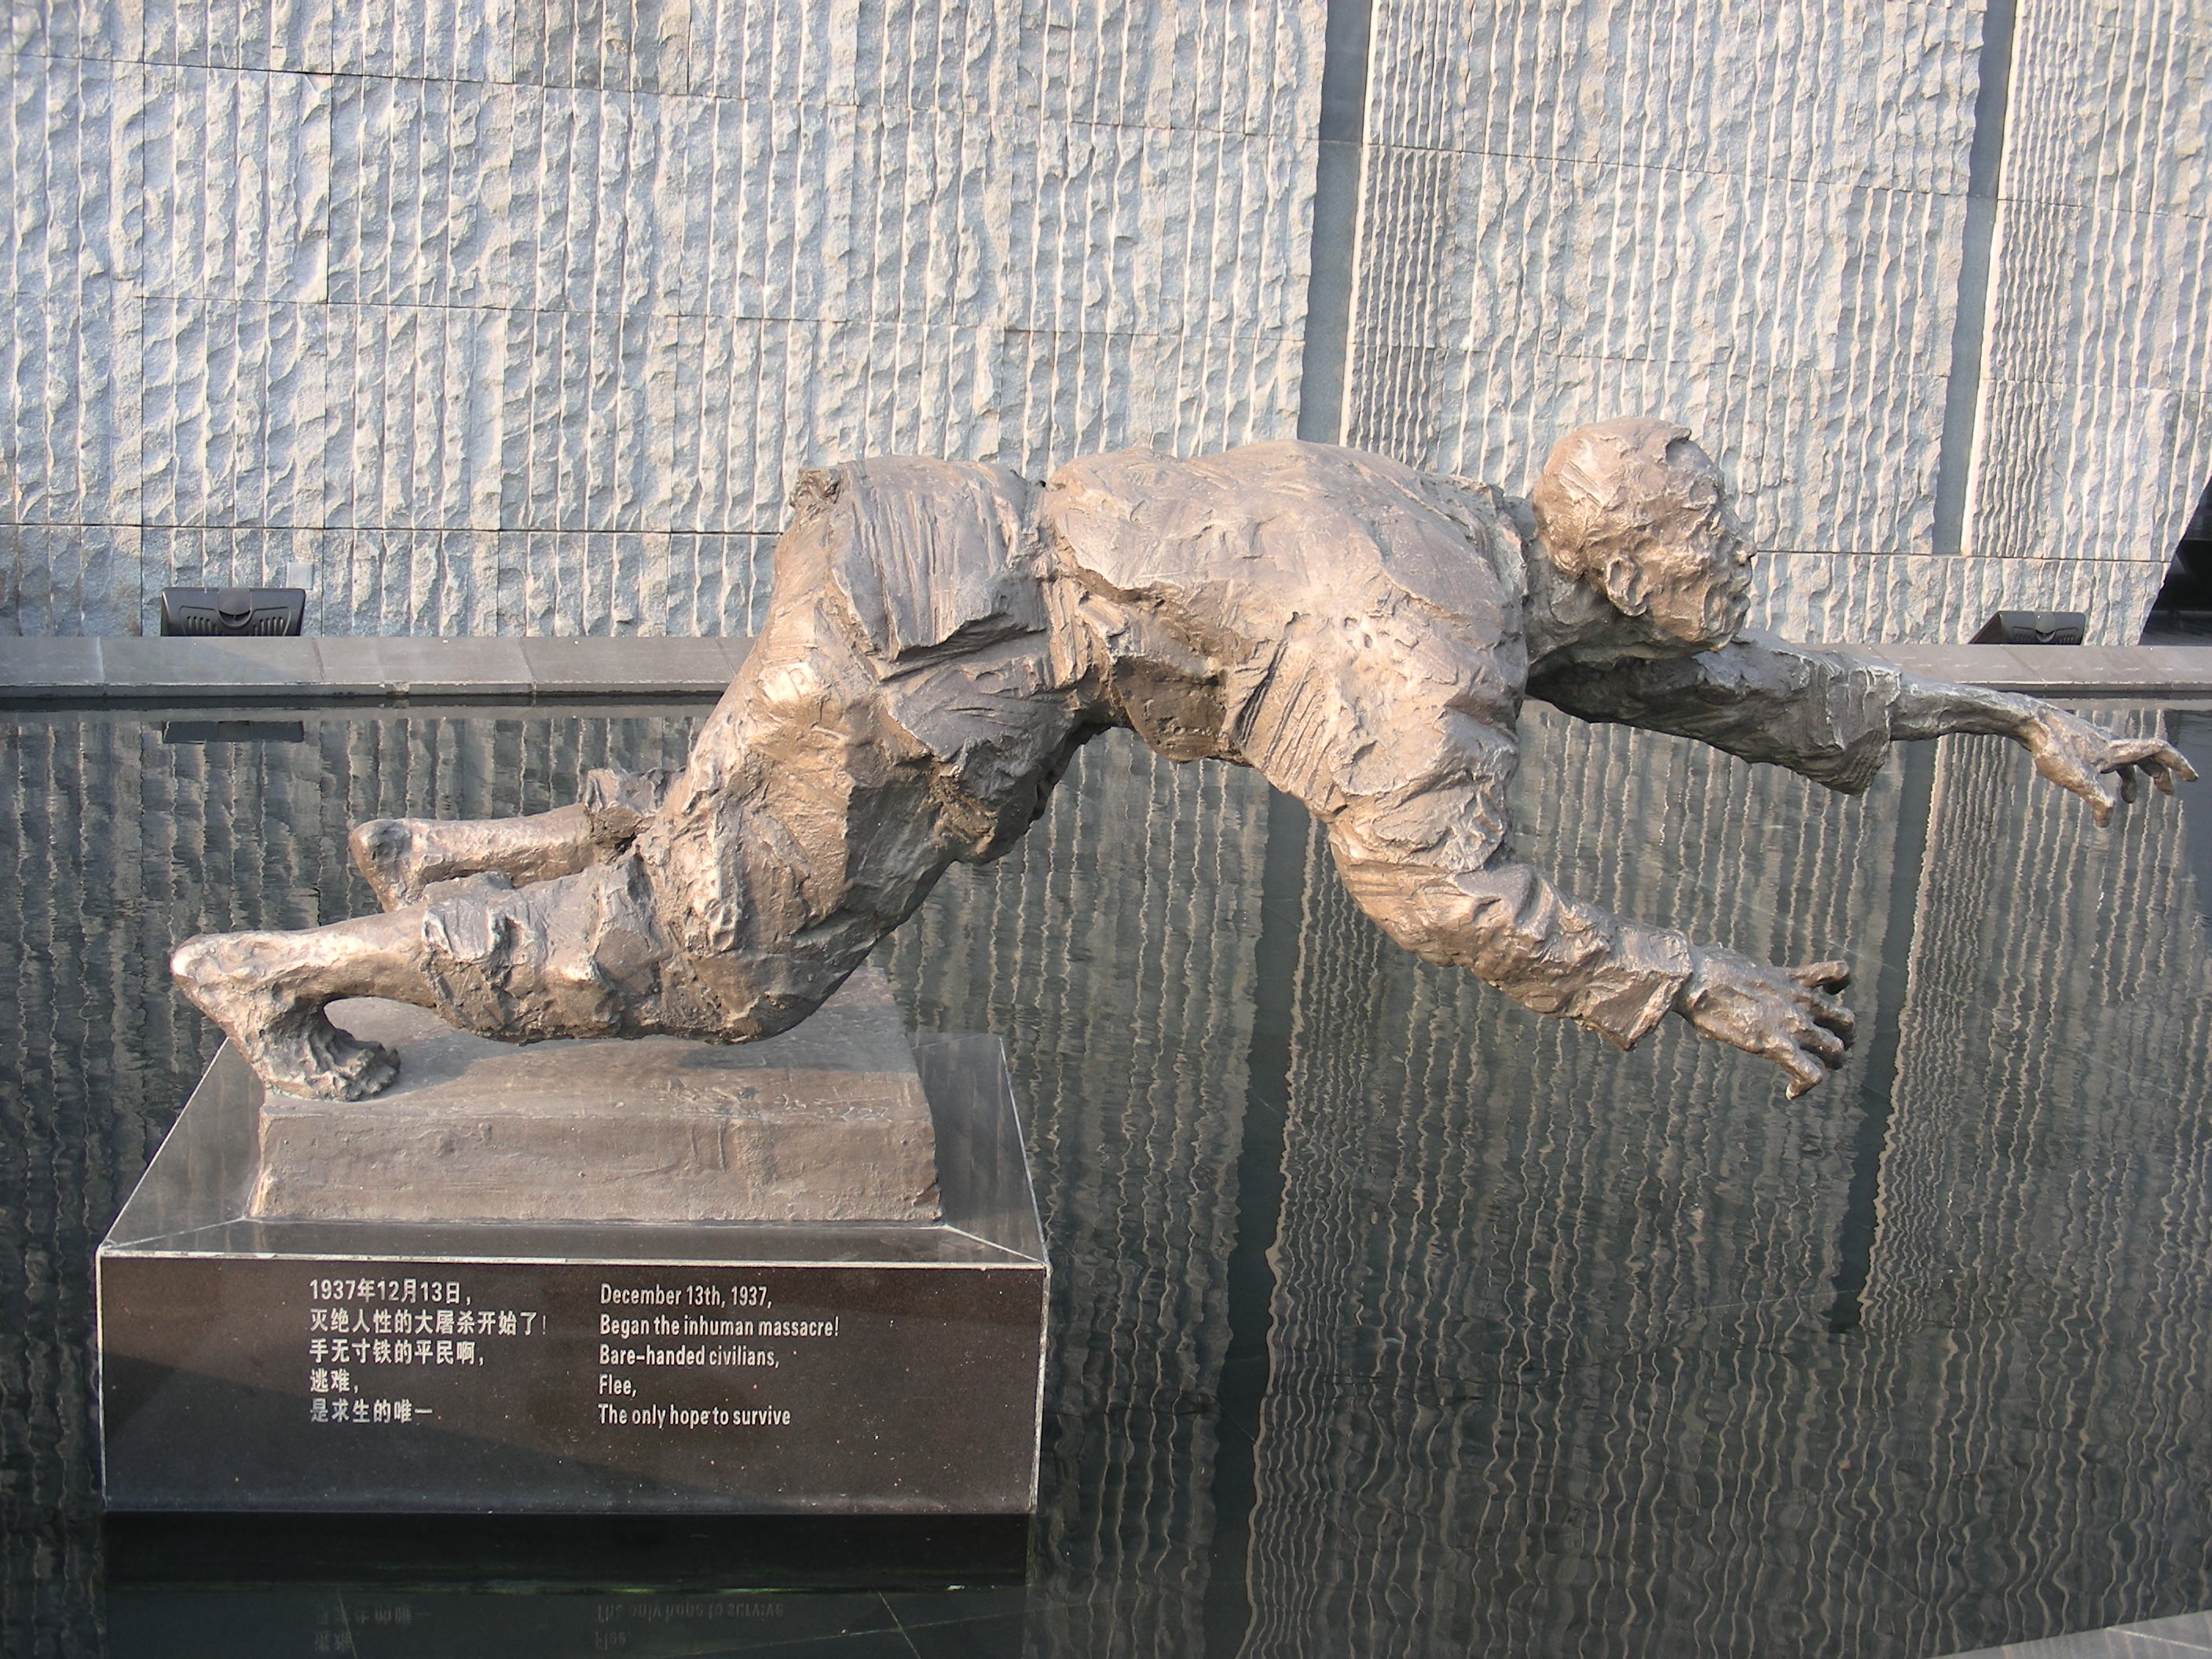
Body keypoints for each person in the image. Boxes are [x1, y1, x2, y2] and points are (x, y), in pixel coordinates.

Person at [171, 420, 2193, 1101]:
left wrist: (2006, 714)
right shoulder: (1421, 651)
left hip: (944, 560)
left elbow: (1726, 684)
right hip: (945, 645)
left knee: (734, 847)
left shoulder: (1495, 541)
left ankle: (464, 848)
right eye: (1711, 569)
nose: (1727, 599)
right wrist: (1696, 977)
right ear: (1624, 569)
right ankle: (276, 972)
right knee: (716, 974)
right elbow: (1440, 892)